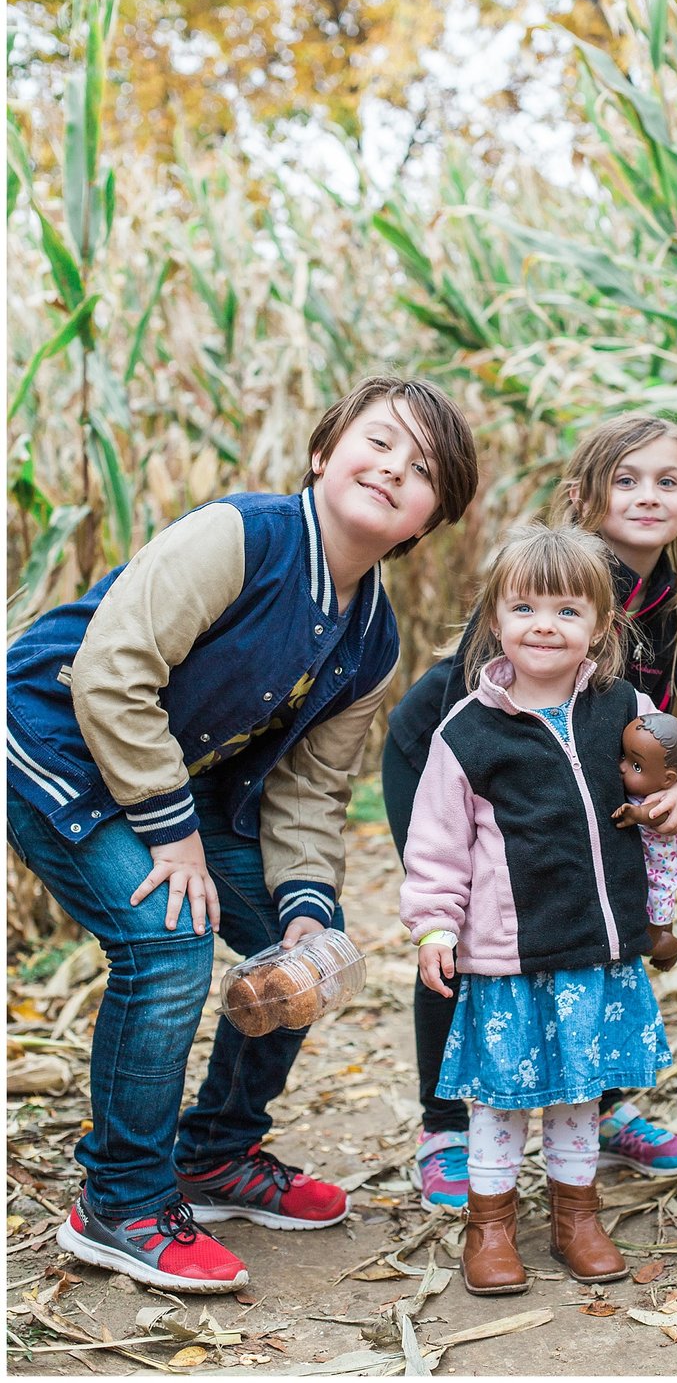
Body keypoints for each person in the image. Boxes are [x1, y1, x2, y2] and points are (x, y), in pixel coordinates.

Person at [6, 375, 478, 1294]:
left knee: (308, 952)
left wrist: (307, 909)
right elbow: (111, 670)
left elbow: (308, 791)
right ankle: (121, 1199)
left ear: (428, 520)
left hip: (164, 778)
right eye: (378, 442)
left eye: (420, 470)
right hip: (53, 736)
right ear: (323, 450)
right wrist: (170, 832)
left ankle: (215, 1154)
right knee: (168, 939)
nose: (391, 469)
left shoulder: (371, 638)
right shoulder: (242, 536)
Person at [383, 412, 677, 1209]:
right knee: (470, 934)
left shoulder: (674, 604)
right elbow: (484, 710)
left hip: (570, 766)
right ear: (584, 494)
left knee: (591, 931)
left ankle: (595, 1106)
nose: (646, 496)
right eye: (625, 479)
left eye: (667, 482)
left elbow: (652, 731)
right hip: (453, 758)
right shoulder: (547, 577)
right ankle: (446, 1128)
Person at [614, 712, 677, 975]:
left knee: (648, 941)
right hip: (645, 873)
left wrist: (634, 814)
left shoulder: (663, 797)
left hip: (657, 879)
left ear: (668, 779)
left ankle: (671, 947)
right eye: (624, 757)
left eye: (636, 766)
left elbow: (654, 814)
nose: (622, 766)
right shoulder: (646, 788)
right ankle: (666, 938)